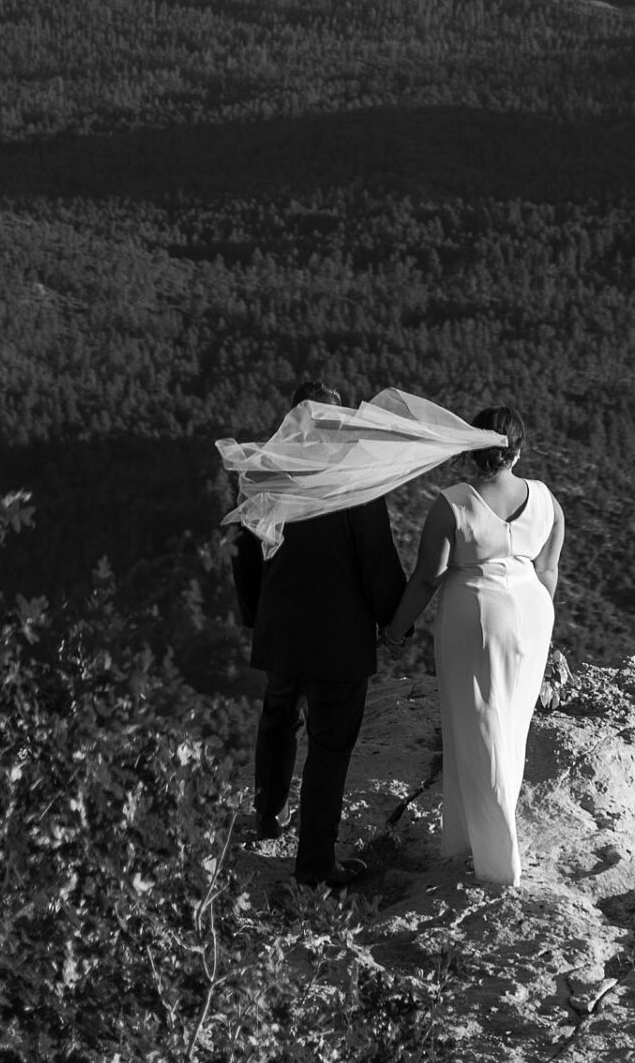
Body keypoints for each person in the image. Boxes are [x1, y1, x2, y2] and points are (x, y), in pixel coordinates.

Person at [230, 379, 407, 890]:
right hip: (339, 639)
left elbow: (243, 553)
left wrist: (255, 616)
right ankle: (314, 864)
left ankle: (267, 814)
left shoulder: (265, 475)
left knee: (278, 717)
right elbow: (377, 561)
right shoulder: (354, 484)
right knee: (329, 747)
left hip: (282, 629)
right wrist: (396, 622)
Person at [384, 403, 564, 889]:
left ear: (470, 447)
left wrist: (396, 630)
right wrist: (538, 624)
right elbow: (548, 569)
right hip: (531, 615)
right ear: (519, 449)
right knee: (511, 725)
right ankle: (470, 836)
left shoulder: (454, 503)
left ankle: (497, 857)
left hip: (476, 616)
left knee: (477, 722)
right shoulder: (547, 499)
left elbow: (426, 578)